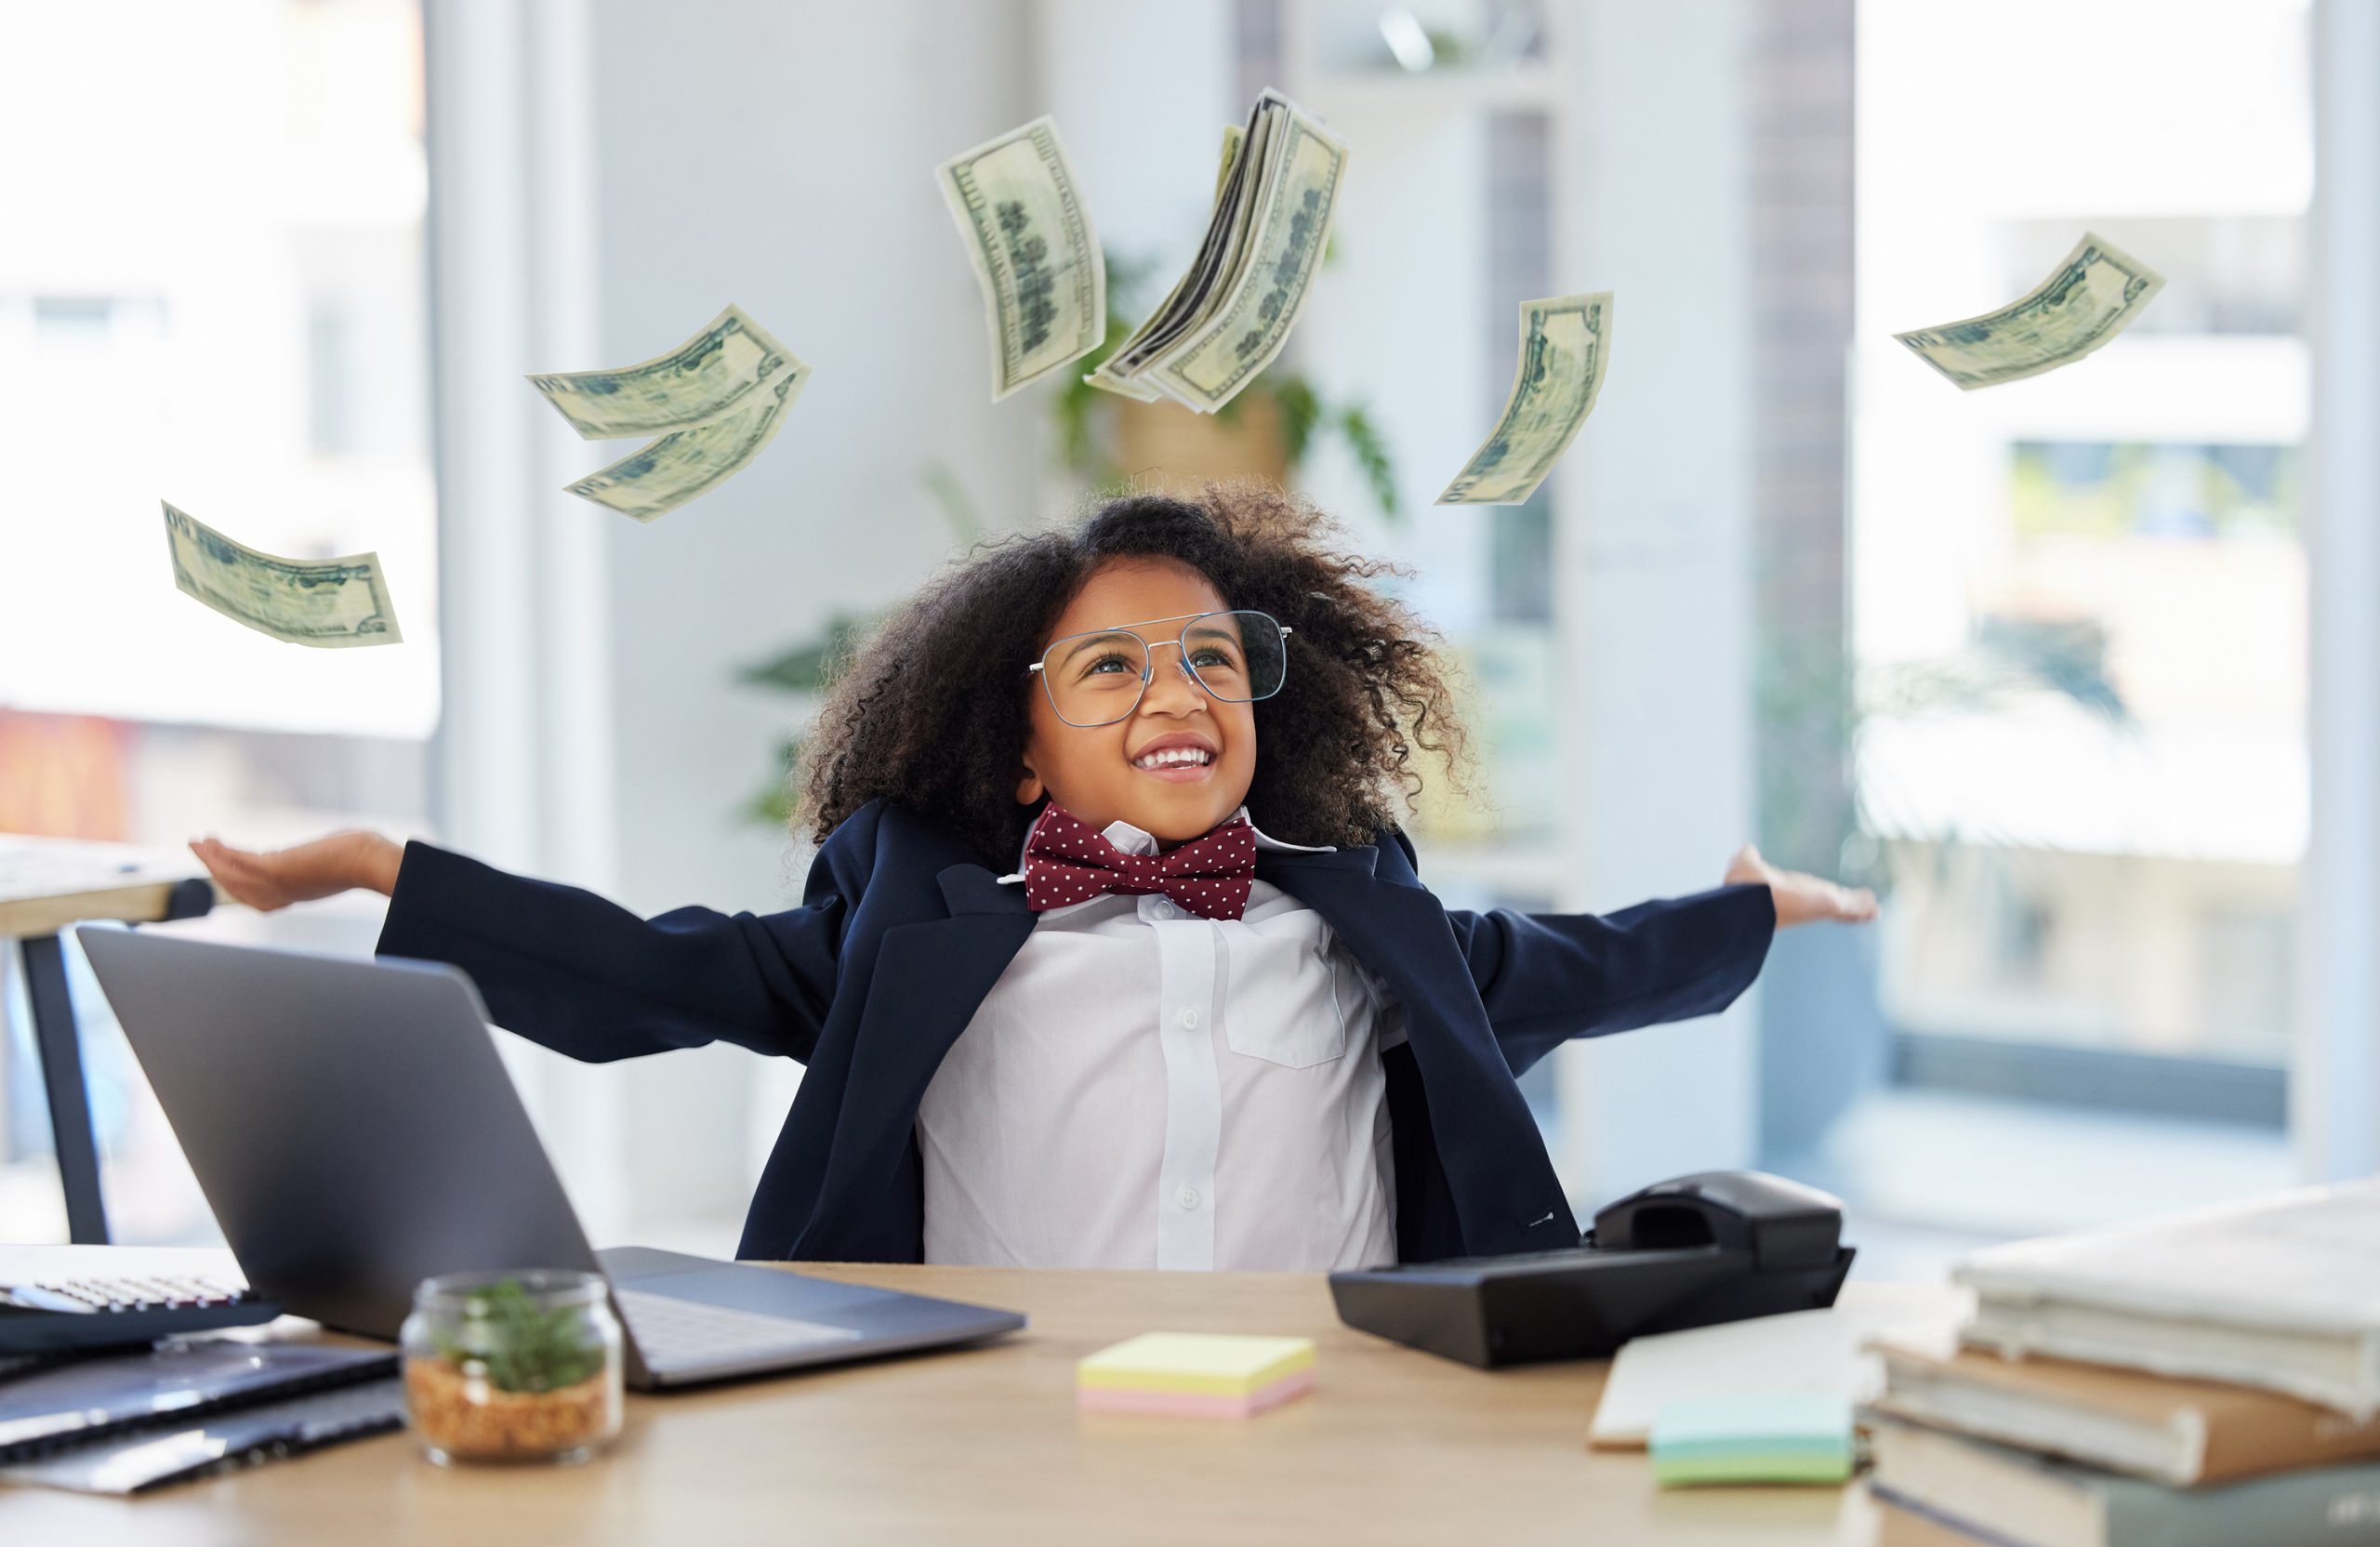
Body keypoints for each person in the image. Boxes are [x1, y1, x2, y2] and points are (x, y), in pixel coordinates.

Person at [192, 486, 1875, 1271]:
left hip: (1337, 1404)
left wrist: (1751, 911)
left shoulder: (1356, 901)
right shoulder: (907, 917)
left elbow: (1571, 964)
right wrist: (374, 866)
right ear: (1015, 751)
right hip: (991, 1410)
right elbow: (653, 971)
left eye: (1213, 662)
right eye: (1116, 668)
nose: (1179, 695)